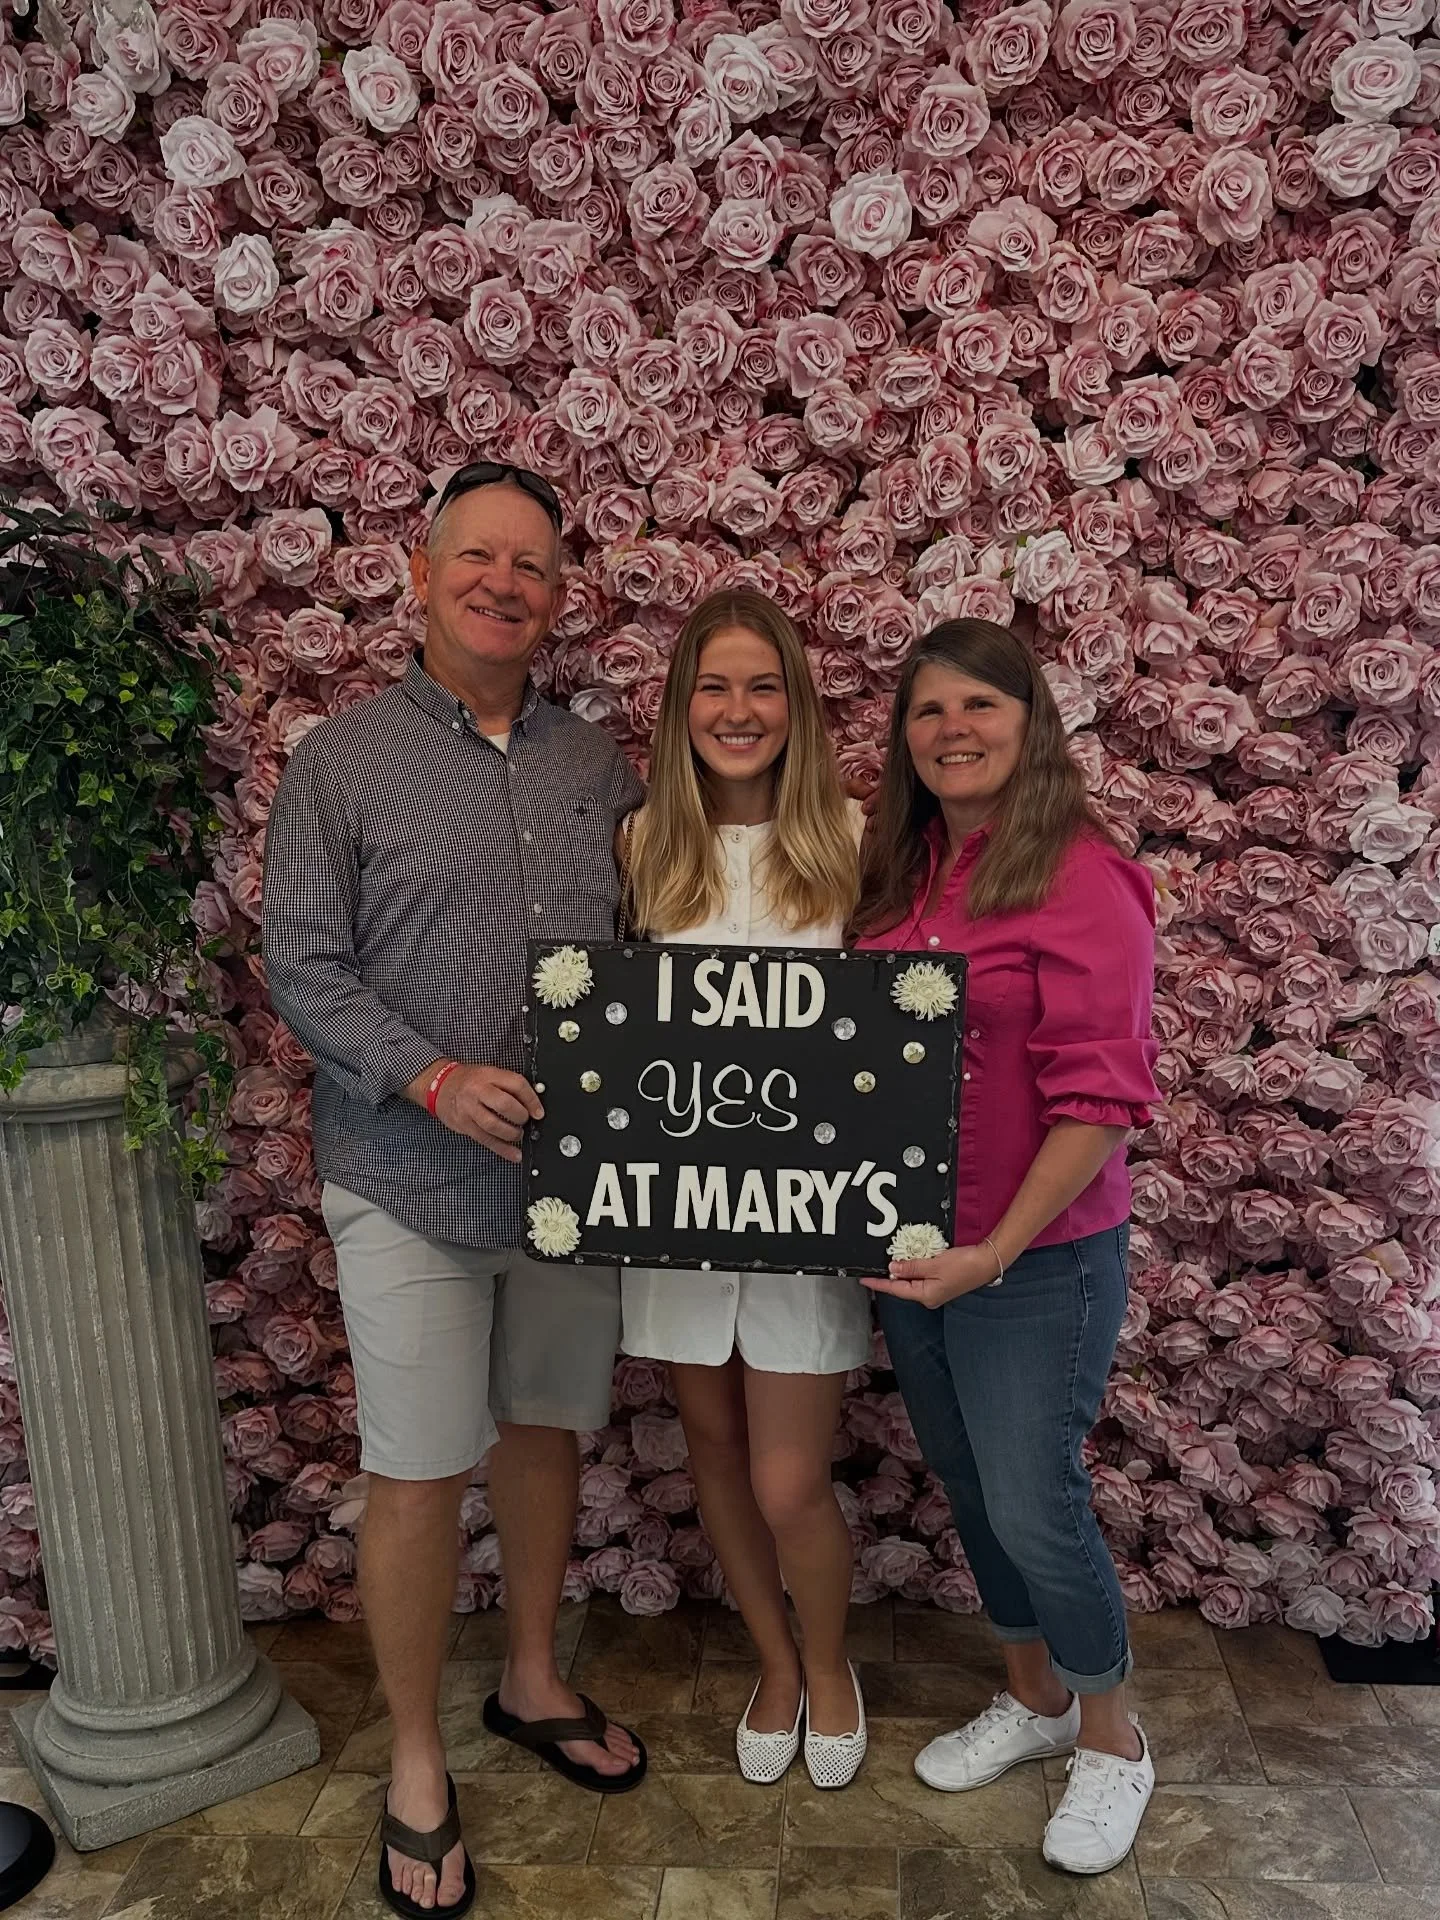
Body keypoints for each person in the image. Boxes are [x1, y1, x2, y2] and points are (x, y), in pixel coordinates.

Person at [263, 463, 646, 1920]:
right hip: (409, 1179)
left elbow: (665, 926)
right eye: (478, 557)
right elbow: (302, 966)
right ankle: (418, 1759)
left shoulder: (595, 765)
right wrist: (429, 1078)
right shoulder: (339, 763)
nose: (505, 582)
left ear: (560, 601)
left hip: (566, 1188)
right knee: (420, 1470)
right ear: (420, 579)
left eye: (533, 567)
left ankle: (533, 1680)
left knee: (544, 1435)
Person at [852, 618, 1160, 1875]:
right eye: (930, 712)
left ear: (1029, 722)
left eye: (981, 705)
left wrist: (995, 1249)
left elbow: (1101, 1098)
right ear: (906, 739)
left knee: (1038, 1500)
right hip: (914, 1255)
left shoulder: (1083, 876)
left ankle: (1114, 1741)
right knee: (974, 1489)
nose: (954, 731)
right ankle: (1033, 1702)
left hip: (1034, 1263)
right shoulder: (903, 876)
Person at [620, 588, 872, 1790]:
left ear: (797, 707)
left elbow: (888, 1049)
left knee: (788, 1476)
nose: (738, 710)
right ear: (680, 710)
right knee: (713, 1450)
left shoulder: (850, 844)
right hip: (675, 1217)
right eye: (714, 687)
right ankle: (774, 1660)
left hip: (803, 1222)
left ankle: (831, 1664)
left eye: (762, 686)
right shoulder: (642, 849)